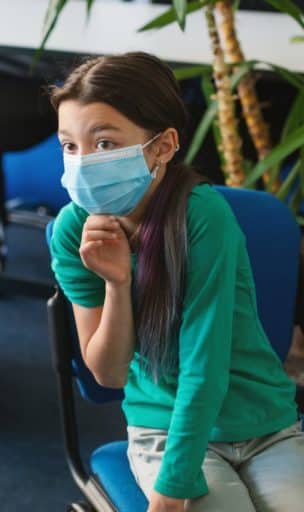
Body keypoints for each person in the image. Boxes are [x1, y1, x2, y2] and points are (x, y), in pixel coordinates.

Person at [49, 52, 304, 512]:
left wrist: (170, 492)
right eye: (70, 146)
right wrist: (116, 284)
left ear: (163, 146)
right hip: (164, 427)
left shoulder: (203, 218)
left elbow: (204, 366)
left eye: (104, 143)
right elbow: (107, 373)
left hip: (263, 424)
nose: (83, 163)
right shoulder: (73, 230)